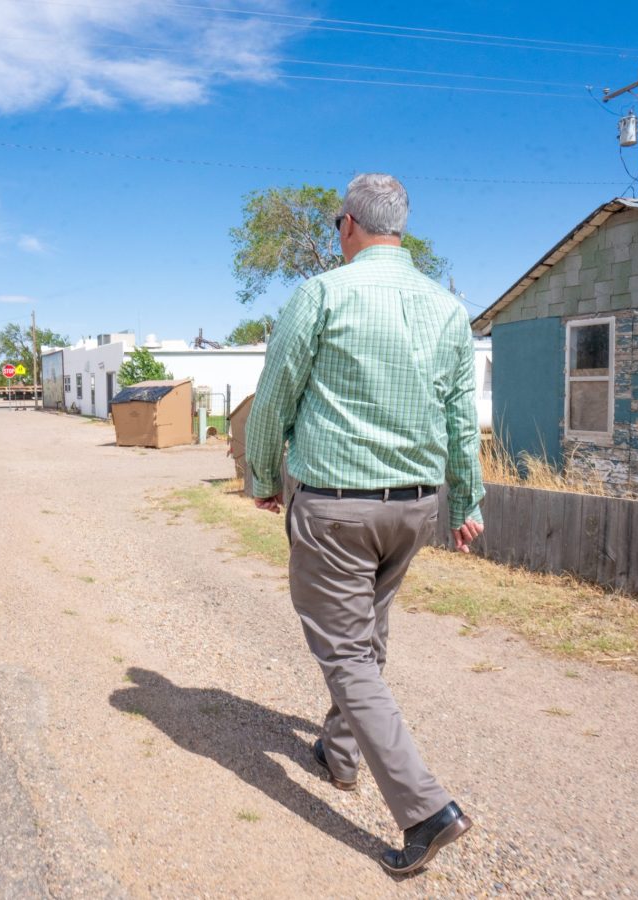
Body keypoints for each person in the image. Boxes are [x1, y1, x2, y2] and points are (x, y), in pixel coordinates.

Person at [245, 173, 485, 875]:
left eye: (338, 223)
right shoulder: (446, 308)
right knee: (368, 630)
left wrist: (262, 475)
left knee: (346, 651)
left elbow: (276, 393)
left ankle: (426, 811)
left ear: (348, 224)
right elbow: (459, 420)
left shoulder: (322, 294)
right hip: (415, 505)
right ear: (400, 228)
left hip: (338, 507)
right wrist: (466, 503)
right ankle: (341, 753)